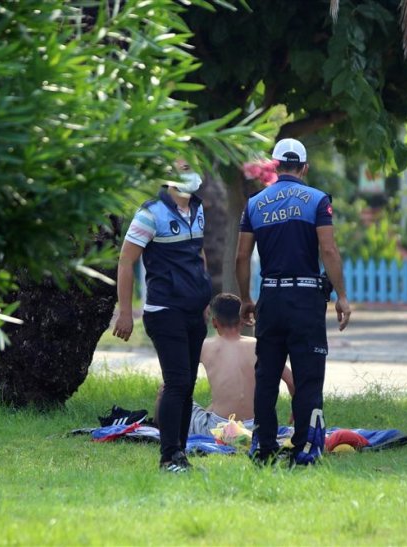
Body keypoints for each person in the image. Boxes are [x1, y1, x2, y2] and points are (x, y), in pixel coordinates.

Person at [235, 138, 351, 465]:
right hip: (306, 300)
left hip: (270, 297)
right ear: (304, 167)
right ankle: (305, 450)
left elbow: (242, 256)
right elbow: (328, 250)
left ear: (274, 166)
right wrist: (341, 296)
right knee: (308, 377)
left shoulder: (255, 203)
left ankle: (264, 449)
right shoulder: (317, 200)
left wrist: (246, 298)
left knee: (267, 376)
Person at [113, 160, 212, 472]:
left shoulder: (198, 209)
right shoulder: (150, 213)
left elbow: (199, 254)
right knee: (177, 382)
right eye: (182, 166)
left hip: (194, 311)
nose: (190, 170)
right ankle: (168, 457)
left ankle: (180, 454)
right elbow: (126, 262)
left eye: (192, 166)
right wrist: (126, 312)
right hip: (164, 310)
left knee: (188, 384)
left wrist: (205, 296)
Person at [153, 293, 295, 436]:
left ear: (214, 323)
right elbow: (292, 382)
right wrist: (296, 409)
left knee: (164, 389)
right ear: (242, 320)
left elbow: (175, 379)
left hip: (219, 429)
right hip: (257, 427)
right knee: (213, 406)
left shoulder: (205, 346)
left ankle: (163, 431)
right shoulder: (260, 346)